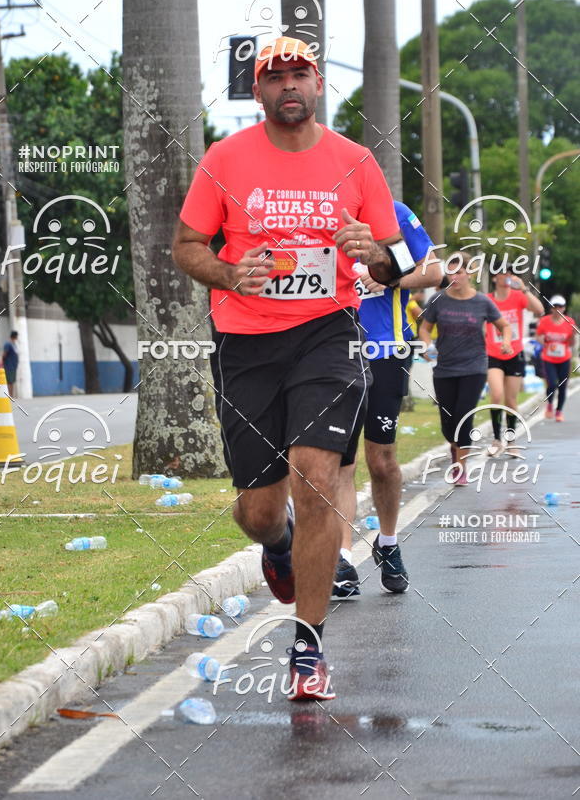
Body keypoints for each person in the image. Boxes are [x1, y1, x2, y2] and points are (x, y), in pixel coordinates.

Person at [172, 37, 416, 700]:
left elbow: (395, 258)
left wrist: (376, 254)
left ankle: (307, 650)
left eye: (300, 73)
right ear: (258, 91)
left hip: (326, 335)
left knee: (314, 478)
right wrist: (227, 271)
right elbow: (187, 245)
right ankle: (275, 545)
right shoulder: (226, 159)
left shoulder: (355, 161)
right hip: (245, 342)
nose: (289, 85)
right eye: (274, 75)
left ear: (318, 84)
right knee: (257, 509)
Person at [333, 203, 442, 600]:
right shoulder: (312, 206)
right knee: (340, 462)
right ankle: (342, 559)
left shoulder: (391, 212)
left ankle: (389, 543)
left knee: (382, 460)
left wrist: (390, 279)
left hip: (386, 352)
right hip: (330, 356)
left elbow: (435, 271)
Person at [418, 252, 513, 486]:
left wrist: (506, 341)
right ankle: (455, 449)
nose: (455, 276)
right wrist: (428, 346)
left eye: (460, 271)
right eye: (451, 271)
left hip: (474, 367)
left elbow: (504, 325)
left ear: (470, 273)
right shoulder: (438, 300)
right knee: (448, 423)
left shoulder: (482, 302)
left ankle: (461, 468)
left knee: (463, 415)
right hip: (444, 369)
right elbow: (424, 329)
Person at [485, 268, 544, 457]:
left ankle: (510, 440)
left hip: (514, 353)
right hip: (493, 353)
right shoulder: (487, 300)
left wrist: (525, 289)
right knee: (496, 394)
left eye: (510, 273)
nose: (507, 277)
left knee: (511, 400)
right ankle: (496, 440)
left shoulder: (518, 296)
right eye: (503, 273)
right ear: (495, 277)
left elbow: (540, 310)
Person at [536, 295, 577, 422]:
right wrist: (543, 340)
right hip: (548, 358)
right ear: (551, 308)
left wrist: (573, 336)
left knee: (563, 386)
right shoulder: (544, 321)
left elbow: (571, 344)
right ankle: (549, 405)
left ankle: (559, 411)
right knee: (552, 383)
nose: (558, 309)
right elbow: (538, 337)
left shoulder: (569, 322)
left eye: (560, 306)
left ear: (564, 308)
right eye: (555, 306)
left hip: (564, 358)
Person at [0, 330, 19, 397]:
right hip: (9, 366)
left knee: (12, 381)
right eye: (17, 336)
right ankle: (9, 395)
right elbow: (4, 354)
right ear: (15, 336)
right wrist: (1, 362)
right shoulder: (8, 344)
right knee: (9, 381)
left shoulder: (14, 344)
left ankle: (11, 395)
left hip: (13, 366)